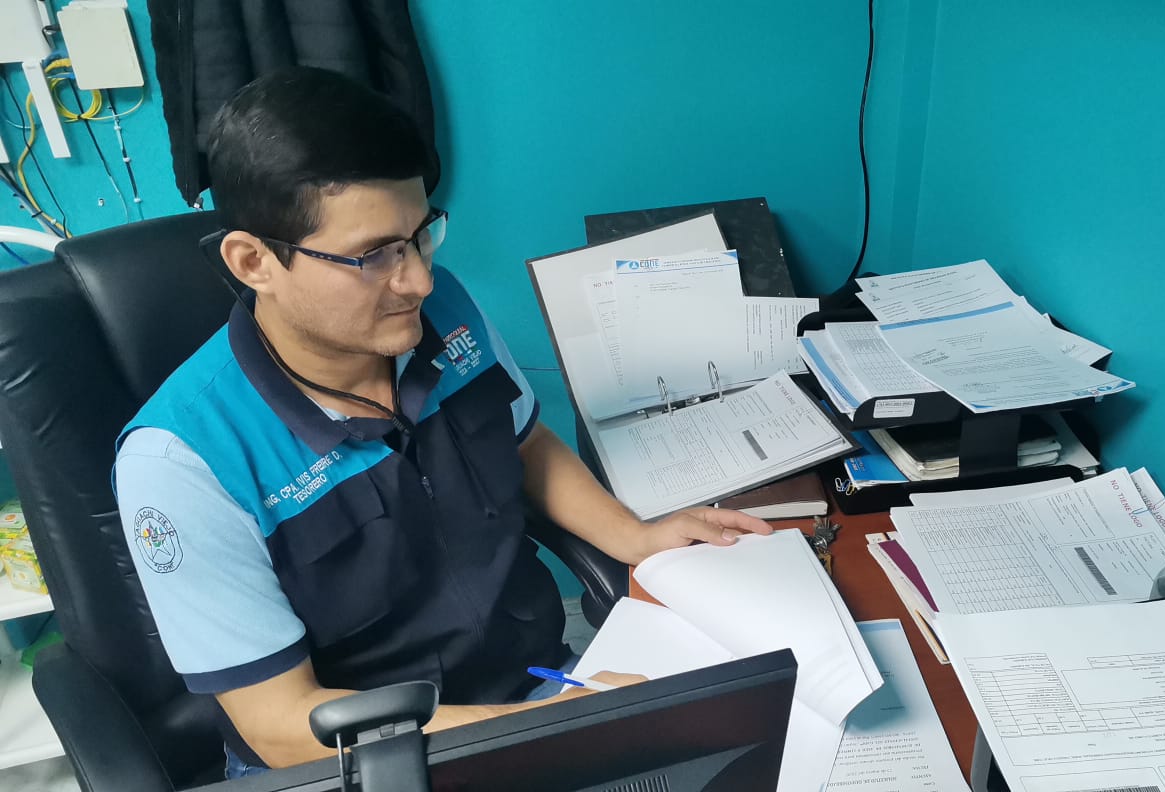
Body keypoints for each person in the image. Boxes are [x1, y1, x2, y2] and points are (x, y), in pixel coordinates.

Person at [114, 66, 772, 778]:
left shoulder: (439, 311)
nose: (419, 280)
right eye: (373, 256)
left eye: (421, 235)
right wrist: (541, 729)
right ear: (255, 262)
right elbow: (279, 727)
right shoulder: (183, 464)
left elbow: (525, 442)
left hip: (534, 685)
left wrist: (635, 537)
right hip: (365, 765)